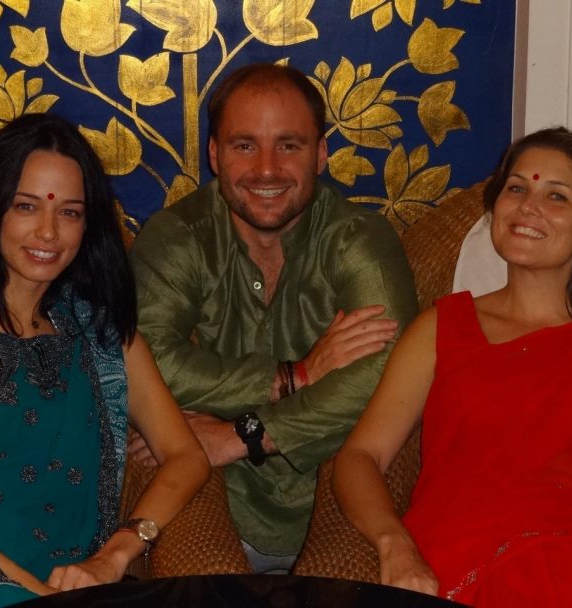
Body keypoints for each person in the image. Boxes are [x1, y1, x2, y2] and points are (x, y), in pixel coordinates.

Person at [333, 127, 572, 606]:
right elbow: (360, 457)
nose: (528, 206)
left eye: (556, 196)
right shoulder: (443, 329)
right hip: (461, 568)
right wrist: (394, 545)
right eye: (517, 188)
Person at [0, 113, 210, 606]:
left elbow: (186, 457)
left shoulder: (102, 338)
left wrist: (117, 553)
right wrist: (22, 588)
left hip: (57, 581)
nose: (48, 232)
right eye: (26, 206)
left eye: (70, 213)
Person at [129, 63, 418, 571]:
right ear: (214, 154)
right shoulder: (177, 237)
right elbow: (145, 364)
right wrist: (294, 376)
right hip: (215, 491)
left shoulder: (360, 240)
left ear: (321, 153)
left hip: (335, 481)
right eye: (245, 145)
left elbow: (389, 375)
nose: (267, 170)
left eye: (289, 145)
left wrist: (242, 435)